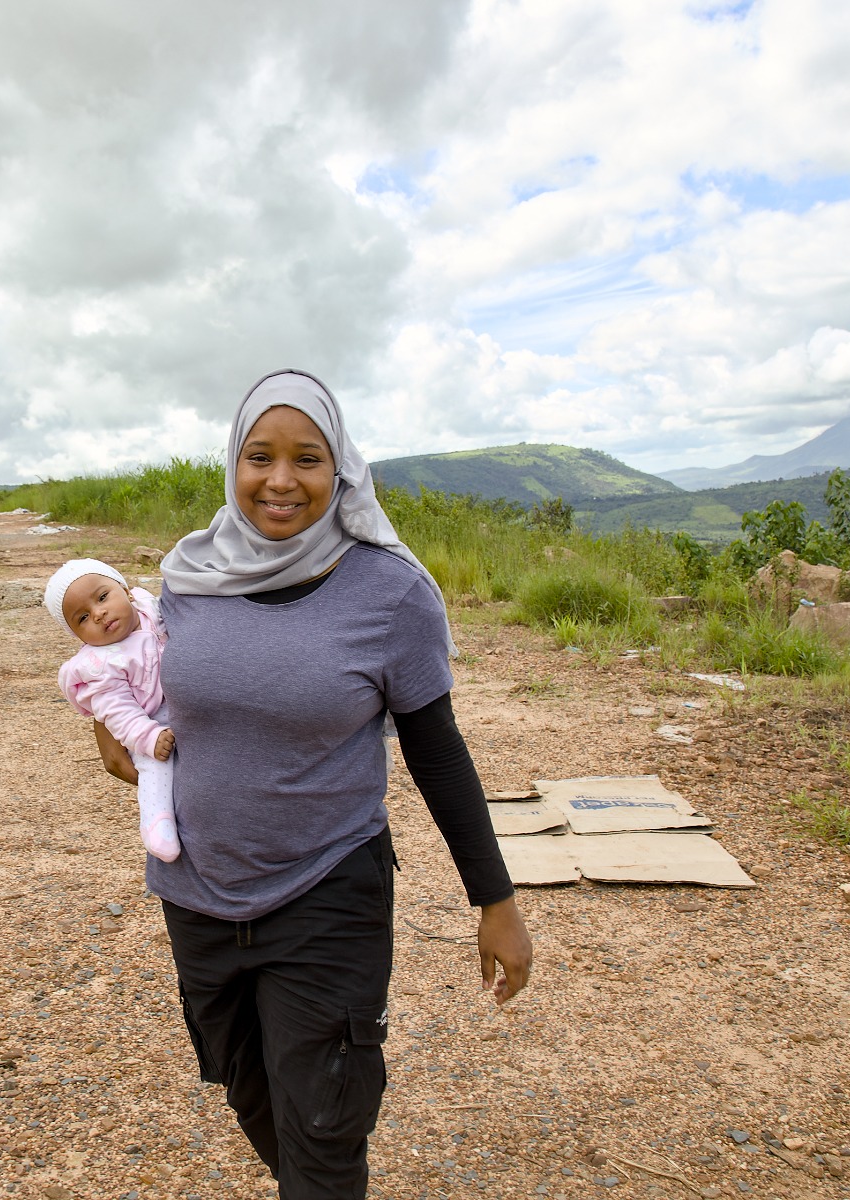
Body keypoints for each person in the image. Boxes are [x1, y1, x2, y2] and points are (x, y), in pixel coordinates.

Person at [94, 370, 532, 1199]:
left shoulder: (388, 591)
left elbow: (438, 753)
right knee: (255, 1101)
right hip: (198, 893)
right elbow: (140, 682)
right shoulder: (186, 576)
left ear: (343, 471)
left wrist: (496, 900)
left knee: (327, 1126)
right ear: (234, 462)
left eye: (308, 458)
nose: (281, 480)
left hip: (327, 890)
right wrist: (108, 730)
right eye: (260, 456)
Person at [46, 558, 178, 861]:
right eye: (82, 618)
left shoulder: (153, 609)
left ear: (126, 590)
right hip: (147, 720)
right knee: (154, 767)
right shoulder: (100, 665)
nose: (99, 614)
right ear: (78, 637)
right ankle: (157, 822)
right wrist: (147, 737)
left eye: (103, 597)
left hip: (184, 702)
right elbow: (117, 712)